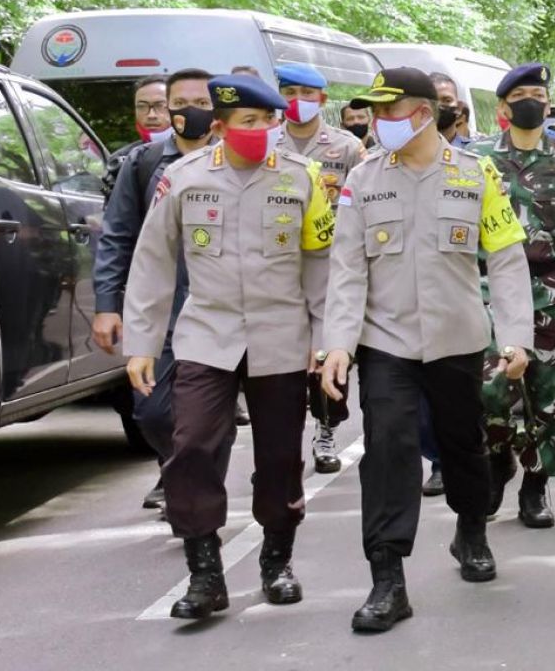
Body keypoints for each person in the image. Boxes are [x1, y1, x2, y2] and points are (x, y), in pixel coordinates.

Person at [318, 66, 532, 632]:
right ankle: (387, 577)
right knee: (388, 444)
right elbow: (345, 271)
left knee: (463, 443)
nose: (377, 121)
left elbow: (507, 258)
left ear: (419, 113)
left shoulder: (475, 174)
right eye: (375, 113)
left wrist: (516, 337)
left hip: (457, 339)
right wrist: (337, 345)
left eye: (387, 112)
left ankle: (471, 529)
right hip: (386, 341)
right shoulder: (363, 181)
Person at [122, 73, 335, 620]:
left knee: (281, 457)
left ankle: (276, 561)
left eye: (268, 121)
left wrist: (326, 337)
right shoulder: (184, 178)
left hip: (282, 337)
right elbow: (151, 261)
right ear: (220, 127)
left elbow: (320, 264)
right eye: (249, 122)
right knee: (189, 444)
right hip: (206, 336)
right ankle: (205, 572)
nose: (261, 130)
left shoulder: (302, 178)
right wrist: (141, 344)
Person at [469, 62, 555, 529]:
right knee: (491, 390)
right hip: (489, 294)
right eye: (522, 95)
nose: (533, 103)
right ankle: (499, 456)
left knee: (552, 395)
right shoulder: (475, 158)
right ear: (504, 106)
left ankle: (536, 484)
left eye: (540, 96)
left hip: (550, 296)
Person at [93, 68, 218, 509]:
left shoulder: (232, 162)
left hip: (218, 311)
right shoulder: (141, 164)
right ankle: (177, 467)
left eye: (202, 103)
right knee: (152, 411)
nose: (189, 112)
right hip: (160, 310)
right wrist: (108, 305)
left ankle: (194, 495)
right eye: (178, 104)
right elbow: (117, 236)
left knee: (206, 417)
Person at [274, 62, 366, 473]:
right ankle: (281, 442)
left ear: (322, 100)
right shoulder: (268, 142)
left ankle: (327, 429)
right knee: (281, 364)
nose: (297, 102)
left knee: (328, 353)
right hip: (277, 264)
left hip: (329, 266)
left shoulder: (345, 148)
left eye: (305, 94)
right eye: (289, 93)